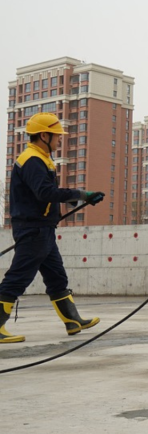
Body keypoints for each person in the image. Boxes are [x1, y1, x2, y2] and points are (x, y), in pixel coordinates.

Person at [0, 113, 105, 344]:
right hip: (33, 230)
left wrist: (79, 198)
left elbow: (44, 196)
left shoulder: (41, 158)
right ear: (44, 135)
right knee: (18, 277)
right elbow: (44, 193)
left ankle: (73, 321)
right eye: (57, 136)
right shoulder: (32, 160)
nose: (60, 140)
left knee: (57, 277)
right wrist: (81, 194)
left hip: (43, 229)